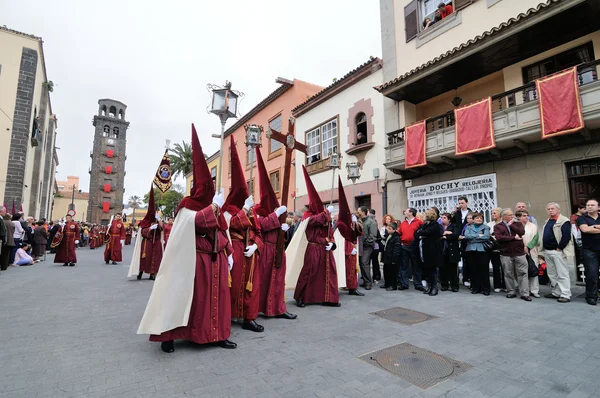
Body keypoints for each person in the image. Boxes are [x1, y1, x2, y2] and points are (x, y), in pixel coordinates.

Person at [139, 124, 236, 353]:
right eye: (207, 187)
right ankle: (170, 335)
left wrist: (229, 253)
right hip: (193, 262)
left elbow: (222, 231)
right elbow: (199, 221)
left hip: (216, 260)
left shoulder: (215, 207)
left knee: (217, 298)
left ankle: (217, 334)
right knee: (188, 298)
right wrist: (214, 207)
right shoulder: (187, 206)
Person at [224, 137, 265, 332]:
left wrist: (256, 245)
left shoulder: (252, 211)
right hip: (236, 250)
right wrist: (243, 210)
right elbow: (228, 224)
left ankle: (249, 318)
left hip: (250, 252)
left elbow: (258, 231)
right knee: (235, 284)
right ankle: (232, 314)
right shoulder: (230, 208)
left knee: (252, 286)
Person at [253, 146, 297, 320]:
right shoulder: (258, 210)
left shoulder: (274, 210)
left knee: (278, 281)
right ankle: (260, 309)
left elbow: (275, 227)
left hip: (278, 250)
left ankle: (279, 308)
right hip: (265, 251)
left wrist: (283, 230)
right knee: (264, 281)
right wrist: (275, 216)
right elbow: (261, 225)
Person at [290, 166, 340, 308]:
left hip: (325, 248)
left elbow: (330, 231)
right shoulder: (309, 215)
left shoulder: (325, 215)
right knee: (308, 272)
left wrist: (333, 243)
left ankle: (328, 298)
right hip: (313, 248)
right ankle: (300, 297)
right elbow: (312, 222)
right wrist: (325, 214)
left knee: (329, 273)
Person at [494, 209, 530, 301]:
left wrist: (512, 225)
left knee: (523, 273)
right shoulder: (498, 226)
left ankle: (524, 293)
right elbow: (499, 238)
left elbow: (522, 233)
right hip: (506, 253)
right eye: (510, 215)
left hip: (519, 252)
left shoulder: (517, 224)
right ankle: (511, 291)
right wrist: (513, 237)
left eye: (512, 214)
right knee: (508, 273)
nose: (512, 216)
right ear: (503, 216)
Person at [541, 202, 572, 303]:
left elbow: (566, 236)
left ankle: (566, 294)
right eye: (548, 209)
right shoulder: (547, 221)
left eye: (552, 209)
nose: (550, 210)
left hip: (557, 251)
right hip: (547, 251)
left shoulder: (564, 221)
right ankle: (556, 292)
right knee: (552, 274)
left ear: (558, 210)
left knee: (562, 273)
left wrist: (559, 248)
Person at [576, 198, 600, 306]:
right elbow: (585, 229)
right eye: (588, 205)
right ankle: (591, 296)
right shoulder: (582, 218)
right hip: (589, 250)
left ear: (598, 207)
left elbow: (589, 229)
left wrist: (593, 227)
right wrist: (596, 227)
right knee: (591, 274)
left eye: (592, 205)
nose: (589, 207)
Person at [415, 210, 443, 296]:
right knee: (427, 269)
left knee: (432, 270)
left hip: (432, 250)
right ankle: (429, 286)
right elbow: (416, 233)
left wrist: (421, 233)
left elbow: (426, 232)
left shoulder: (435, 225)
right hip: (424, 250)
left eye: (425, 214)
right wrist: (420, 233)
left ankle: (434, 287)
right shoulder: (425, 225)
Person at [137, 189, 163, 280]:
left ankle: (153, 274)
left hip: (156, 241)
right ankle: (140, 272)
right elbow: (142, 232)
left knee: (156, 258)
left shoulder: (157, 220)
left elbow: (162, 228)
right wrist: (150, 228)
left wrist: (159, 220)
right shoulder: (145, 221)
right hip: (147, 242)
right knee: (145, 258)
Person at [464, 213, 491, 295]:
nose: (479, 219)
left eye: (481, 218)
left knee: (484, 270)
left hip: (482, 250)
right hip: (471, 250)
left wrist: (473, 238)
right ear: (473, 219)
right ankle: (475, 288)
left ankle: (485, 289)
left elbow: (486, 237)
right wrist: (479, 236)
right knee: (473, 269)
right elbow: (467, 236)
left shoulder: (486, 227)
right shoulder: (468, 227)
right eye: (477, 218)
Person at [398, 208, 425, 291]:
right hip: (404, 246)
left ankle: (418, 284)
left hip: (414, 246)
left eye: (406, 211)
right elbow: (399, 233)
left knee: (416, 266)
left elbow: (423, 232)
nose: (404, 212)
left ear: (411, 213)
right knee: (404, 266)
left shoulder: (419, 222)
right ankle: (404, 284)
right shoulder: (403, 223)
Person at [452, 197, 472, 287]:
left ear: (467, 203)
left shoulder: (471, 212)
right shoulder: (457, 213)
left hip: (466, 237)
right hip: (457, 236)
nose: (461, 205)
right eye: (459, 203)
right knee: (459, 258)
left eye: (462, 203)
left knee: (467, 259)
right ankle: (456, 278)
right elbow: (453, 223)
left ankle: (466, 278)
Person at [440, 213, 460, 292]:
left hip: (451, 250)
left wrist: (446, 236)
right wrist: (445, 234)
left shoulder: (454, 226)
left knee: (452, 269)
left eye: (444, 218)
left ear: (449, 219)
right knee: (442, 269)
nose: (442, 219)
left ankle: (454, 285)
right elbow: (437, 235)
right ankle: (444, 285)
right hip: (442, 250)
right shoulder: (439, 226)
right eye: (442, 218)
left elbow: (456, 235)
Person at [358, 206, 377, 290]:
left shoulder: (371, 222)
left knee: (364, 262)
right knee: (361, 263)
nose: (357, 212)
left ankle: (368, 282)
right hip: (360, 245)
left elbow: (373, 235)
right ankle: (365, 281)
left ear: (363, 212)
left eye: (359, 211)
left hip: (367, 246)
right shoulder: (359, 221)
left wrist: (365, 242)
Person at [487, 207, 506, 293]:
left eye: (495, 213)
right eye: (492, 213)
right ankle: (497, 285)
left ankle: (505, 285)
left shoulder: (504, 224)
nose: (493, 214)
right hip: (493, 249)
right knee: (495, 267)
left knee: (504, 268)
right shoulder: (489, 224)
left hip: (504, 249)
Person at [382, 221, 401, 291]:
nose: (388, 229)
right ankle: (387, 283)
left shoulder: (396, 237)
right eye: (387, 228)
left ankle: (393, 286)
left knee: (393, 272)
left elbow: (396, 250)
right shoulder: (389, 235)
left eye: (390, 228)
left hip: (392, 258)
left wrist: (394, 260)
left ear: (394, 229)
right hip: (387, 257)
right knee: (386, 271)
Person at [369, 209, 382, 282]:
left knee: (374, 262)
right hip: (374, 245)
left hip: (374, 245)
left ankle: (376, 276)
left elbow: (376, 235)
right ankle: (376, 276)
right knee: (374, 262)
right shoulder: (374, 222)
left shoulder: (373, 223)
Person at [0, 207, 13, 271]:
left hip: (4, 239)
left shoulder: (2, 219)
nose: (5, 212)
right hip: (2, 238)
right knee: (4, 253)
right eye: (4, 211)